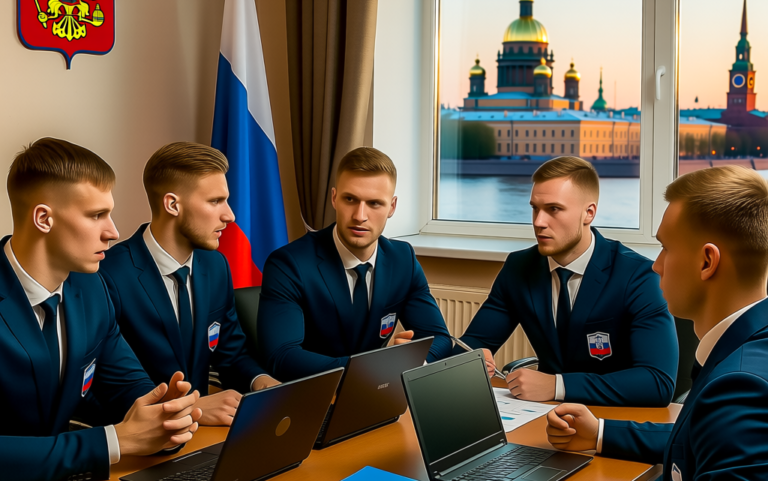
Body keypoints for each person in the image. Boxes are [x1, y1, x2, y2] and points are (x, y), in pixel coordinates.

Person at [546, 165, 768, 480]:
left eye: (665, 248)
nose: (656, 266)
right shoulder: (751, 344)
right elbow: (700, 438)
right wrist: (599, 432)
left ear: (707, 262)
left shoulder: (740, 388)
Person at [0, 138, 201, 480]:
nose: (113, 232)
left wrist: (165, 415)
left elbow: (125, 385)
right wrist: (112, 441)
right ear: (44, 218)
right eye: (96, 215)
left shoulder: (93, 288)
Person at [458, 156, 678, 406]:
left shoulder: (638, 275)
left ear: (589, 213)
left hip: (614, 416)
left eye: (554, 209)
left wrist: (557, 386)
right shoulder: (519, 267)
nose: (538, 222)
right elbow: (469, 345)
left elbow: (657, 383)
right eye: (535, 208)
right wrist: (473, 358)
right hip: (545, 412)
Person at [99, 142, 278, 427]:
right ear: (172, 204)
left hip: (203, 434)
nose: (230, 215)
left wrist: (262, 381)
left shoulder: (216, 265)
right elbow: (105, 384)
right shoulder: (107, 274)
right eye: (215, 201)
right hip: (143, 438)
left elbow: (231, 354)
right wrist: (190, 408)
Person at [257, 147, 452, 381]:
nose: (360, 215)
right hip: (313, 393)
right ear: (334, 198)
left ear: (392, 207)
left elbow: (440, 338)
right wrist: (379, 366)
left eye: (374, 203)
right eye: (350, 199)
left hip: (378, 392)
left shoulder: (403, 259)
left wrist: (413, 362)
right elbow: (281, 356)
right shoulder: (289, 264)